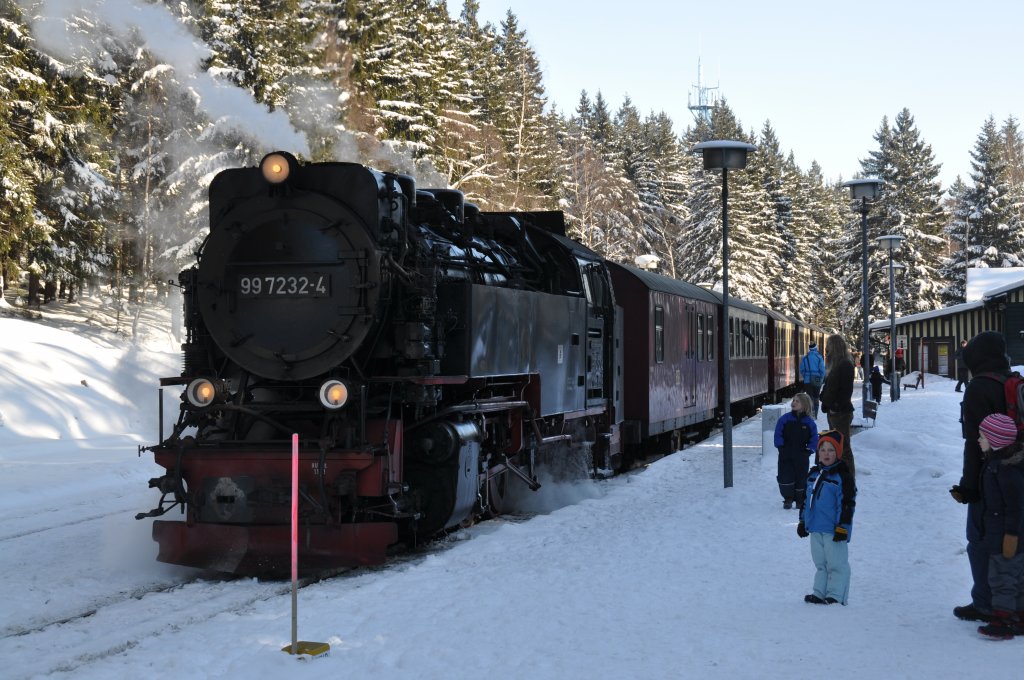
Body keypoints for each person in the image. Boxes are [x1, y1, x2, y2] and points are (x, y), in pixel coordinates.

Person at [950, 330, 1013, 624]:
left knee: (980, 538)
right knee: (1012, 540)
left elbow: (974, 443)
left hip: (990, 476)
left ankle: (986, 602)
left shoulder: (979, 388)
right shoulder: (1011, 382)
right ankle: (1009, 601)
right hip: (1016, 473)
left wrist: (969, 486)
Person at [975, 413, 1024, 639]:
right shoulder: (995, 463)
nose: (979, 440)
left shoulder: (1006, 469)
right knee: (1014, 573)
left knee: (1003, 575)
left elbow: (1015, 506)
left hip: (1006, 535)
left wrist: (1011, 535)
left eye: (982, 436)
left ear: (995, 441)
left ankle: (1003, 619)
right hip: (999, 530)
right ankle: (1018, 615)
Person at [797, 430, 856, 605]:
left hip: (833, 529)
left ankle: (836, 595)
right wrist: (802, 521)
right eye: (823, 450)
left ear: (837, 453)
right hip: (815, 527)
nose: (826, 454)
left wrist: (842, 527)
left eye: (831, 450)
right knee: (821, 564)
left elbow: (846, 504)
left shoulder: (842, 477)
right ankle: (819, 593)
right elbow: (806, 500)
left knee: (836, 564)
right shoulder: (814, 474)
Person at [819, 334, 856, 478]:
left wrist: (833, 405)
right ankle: (841, 477)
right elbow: (830, 387)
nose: (826, 349)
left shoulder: (844, 365)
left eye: (828, 346)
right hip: (835, 411)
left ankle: (848, 480)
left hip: (840, 412)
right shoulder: (839, 364)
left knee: (843, 447)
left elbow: (844, 390)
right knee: (837, 446)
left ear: (834, 347)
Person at [774, 392, 818, 509]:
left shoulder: (809, 423)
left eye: (797, 401)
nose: (793, 402)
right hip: (785, 454)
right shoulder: (784, 419)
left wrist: (809, 449)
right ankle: (788, 498)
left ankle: (800, 500)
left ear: (804, 405)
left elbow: (814, 437)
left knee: (801, 477)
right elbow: (778, 433)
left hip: (801, 455)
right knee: (785, 476)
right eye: (793, 400)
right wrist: (780, 446)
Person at [800, 342, 827, 418]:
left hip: (807, 381)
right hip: (817, 380)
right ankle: (815, 414)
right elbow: (822, 370)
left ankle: (811, 413)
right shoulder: (819, 357)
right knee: (816, 397)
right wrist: (822, 377)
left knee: (809, 397)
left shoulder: (805, 358)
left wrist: (806, 376)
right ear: (816, 348)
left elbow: (802, 369)